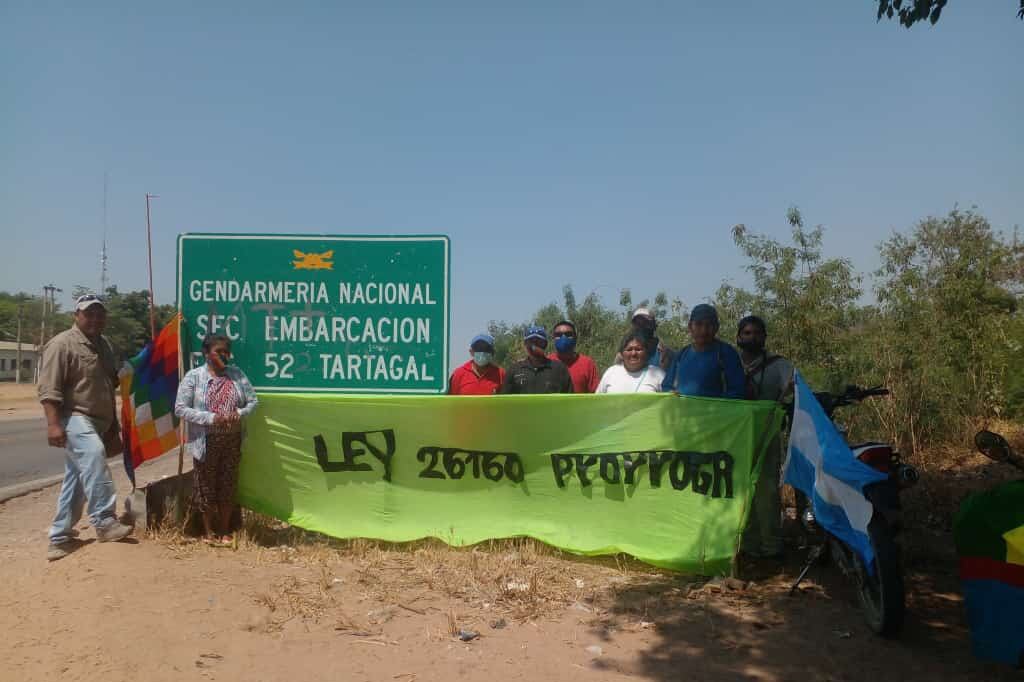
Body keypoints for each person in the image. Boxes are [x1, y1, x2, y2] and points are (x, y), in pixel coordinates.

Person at [39, 293, 134, 561]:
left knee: (78, 478)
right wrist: (53, 424)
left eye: (99, 314)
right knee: (93, 455)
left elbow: (106, 387)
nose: (94, 318)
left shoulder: (104, 344)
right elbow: (49, 390)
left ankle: (60, 536)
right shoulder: (61, 344)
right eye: (88, 313)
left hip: (99, 420)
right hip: (73, 416)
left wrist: (113, 429)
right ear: (76, 315)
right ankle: (104, 520)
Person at [175, 334, 258, 545]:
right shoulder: (194, 377)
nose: (223, 355)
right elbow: (181, 409)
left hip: (232, 439)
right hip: (206, 440)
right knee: (206, 485)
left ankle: (225, 530)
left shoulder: (237, 375)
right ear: (206, 353)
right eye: (218, 351)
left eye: (226, 351)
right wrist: (212, 418)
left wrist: (238, 413)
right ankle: (208, 530)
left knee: (227, 484)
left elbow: (253, 402)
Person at [737, 315, 794, 561]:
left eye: (757, 333)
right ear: (738, 337)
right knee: (740, 490)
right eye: (747, 333)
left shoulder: (779, 365)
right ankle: (747, 545)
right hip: (736, 437)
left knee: (767, 490)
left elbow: (795, 388)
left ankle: (771, 546)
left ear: (764, 337)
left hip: (767, 437)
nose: (752, 337)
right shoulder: (730, 363)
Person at [661, 304, 745, 398]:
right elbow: (666, 386)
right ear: (690, 326)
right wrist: (670, 393)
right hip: (683, 411)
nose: (704, 330)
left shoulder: (727, 354)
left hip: (716, 412)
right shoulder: (681, 355)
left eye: (709, 325)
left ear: (717, 327)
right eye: (698, 324)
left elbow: (737, 392)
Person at [498, 325, 574, 394]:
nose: (534, 345)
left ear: (545, 344)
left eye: (538, 342)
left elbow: (569, 401)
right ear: (525, 345)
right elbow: (505, 401)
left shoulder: (560, 369)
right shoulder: (514, 370)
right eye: (530, 342)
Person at [596, 332, 666, 393]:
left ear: (646, 352)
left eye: (638, 349)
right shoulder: (611, 372)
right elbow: (598, 401)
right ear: (621, 353)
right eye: (629, 349)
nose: (633, 353)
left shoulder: (658, 374)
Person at [548, 320, 599, 393]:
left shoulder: (587, 364)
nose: (563, 338)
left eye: (568, 334)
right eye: (558, 335)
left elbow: (595, 394)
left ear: (575, 338)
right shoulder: (546, 362)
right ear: (553, 339)